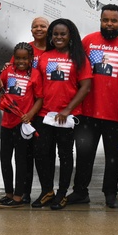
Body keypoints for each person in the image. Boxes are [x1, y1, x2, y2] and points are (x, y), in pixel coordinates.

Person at [72, 4, 118, 208]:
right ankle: (80, 192)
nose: (109, 24)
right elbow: (76, 70)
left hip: (117, 114)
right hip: (88, 113)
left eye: (113, 21)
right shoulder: (88, 42)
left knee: (114, 158)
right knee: (84, 155)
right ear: (100, 21)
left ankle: (110, 193)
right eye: (105, 20)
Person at [33, 18, 92, 210]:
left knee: (65, 155)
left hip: (68, 116)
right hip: (45, 114)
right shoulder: (44, 57)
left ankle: (61, 193)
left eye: (63, 34)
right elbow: (37, 85)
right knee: (42, 153)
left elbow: (86, 87)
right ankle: (47, 191)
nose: (58, 37)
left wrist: (67, 110)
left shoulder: (79, 58)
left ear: (70, 36)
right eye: (55, 34)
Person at [0, 42, 44, 207]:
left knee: (20, 160)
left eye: (24, 59)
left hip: (22, 124)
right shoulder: (8, 71)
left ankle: (19, 196)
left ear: (30, 59)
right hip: (6, 123)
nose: (21, 62)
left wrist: (30, 115)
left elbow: (40, 99)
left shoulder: (35, 75)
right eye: (18, 58)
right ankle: (9, 193)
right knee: (5, 159)